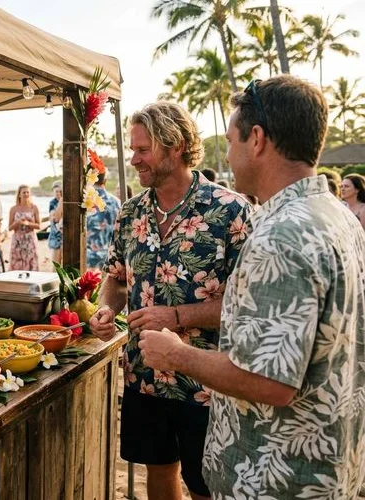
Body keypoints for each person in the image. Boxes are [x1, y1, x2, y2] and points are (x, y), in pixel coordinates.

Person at [138, 76, 365, 498]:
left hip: (275, 478)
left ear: (256, 139)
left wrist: (177, 353)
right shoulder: (337, 216)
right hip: (327, 468)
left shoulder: (283, 233)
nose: (227, 154)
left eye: (230, 141)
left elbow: (270, 381)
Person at [88, 102, 252, 500]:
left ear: (175, 146)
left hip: (206, 383)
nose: (134, 159)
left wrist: (176, 315)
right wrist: (106, 309)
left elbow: (246, 305)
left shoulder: (231, 210)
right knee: (158, 475)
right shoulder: (130, 212)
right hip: (142, 377)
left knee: (205, 487)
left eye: (142, 150)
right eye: (133, 149)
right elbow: (115, 278)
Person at [85, 173, 121, 271]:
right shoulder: (116, 202)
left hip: (88, 257)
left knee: (89, 285)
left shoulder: (85, 200)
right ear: (105, 181)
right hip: (109, 256)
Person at [8, 184, 40, 271]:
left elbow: (38, 225)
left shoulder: (34, 208)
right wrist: (17, 222)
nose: (26, 194)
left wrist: (28, 223)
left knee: (31, 263)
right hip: (17, 240)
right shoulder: (13, 209)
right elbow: (10, 228)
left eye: (28, 192)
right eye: (24, 192)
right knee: (17, 263)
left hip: (30, 239)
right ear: (19, 194)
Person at [47, 181, 63, 264]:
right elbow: (54, 218)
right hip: (55, 235)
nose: (58, 193)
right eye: (56, 191)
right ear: (53, 192)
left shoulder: (65, 201)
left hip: (64, 235)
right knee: (56, 263)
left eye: (60, 191)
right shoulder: (52, 203)